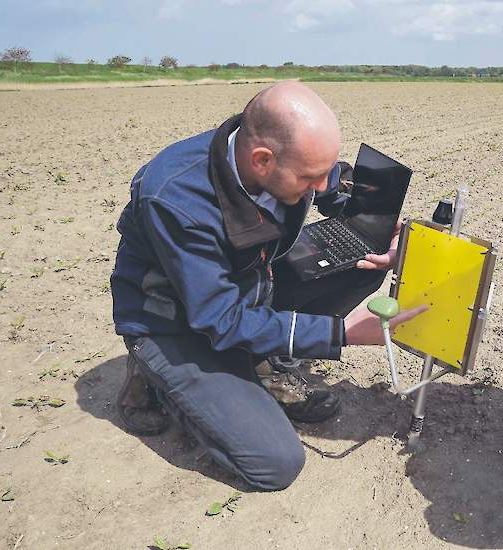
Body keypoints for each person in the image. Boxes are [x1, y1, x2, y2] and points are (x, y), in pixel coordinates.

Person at [110, 81, 423, 491]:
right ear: (262, 161)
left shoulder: (288, 159)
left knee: (362, 262)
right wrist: (341, 334)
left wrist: (388, 234)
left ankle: (264, 362)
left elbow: (336, 187)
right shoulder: (176, 199)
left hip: (249, 285)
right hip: (176, 321)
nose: (320, 185)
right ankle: (156, 377)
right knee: (274, 463)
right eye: (310, 179)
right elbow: (218, 317)